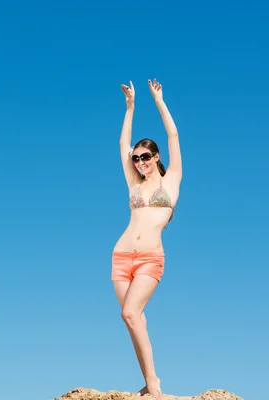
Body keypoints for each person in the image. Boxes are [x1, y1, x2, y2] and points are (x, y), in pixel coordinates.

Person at [111, 78, 182, 400]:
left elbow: (173, 135)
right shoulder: (133, 185)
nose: (139, 162)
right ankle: (149, 382)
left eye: (144, 157)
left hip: (150, 258)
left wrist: (159, 101)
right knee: (133, 320)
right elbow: (121, 142)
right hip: (122, 256)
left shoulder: (172, 181)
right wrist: (130, 107)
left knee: (130, 313)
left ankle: (154, 384)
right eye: (136, 158)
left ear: (155, 157)